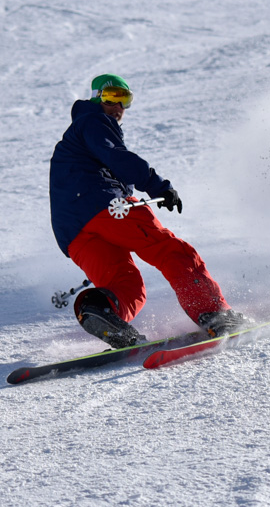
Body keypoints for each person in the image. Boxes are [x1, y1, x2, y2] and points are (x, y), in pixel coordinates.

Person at [49, 74, 244, 348]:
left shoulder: (78, 137)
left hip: (73, 233)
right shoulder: (93, 122)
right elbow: (118, 157)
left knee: (126, 283)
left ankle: (100, 310)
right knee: (170, 250)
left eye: (124, 99)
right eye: (111, 96)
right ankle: (214, 314)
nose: (118, 106)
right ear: (96, 98)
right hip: (105, 207)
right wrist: (157, 186)